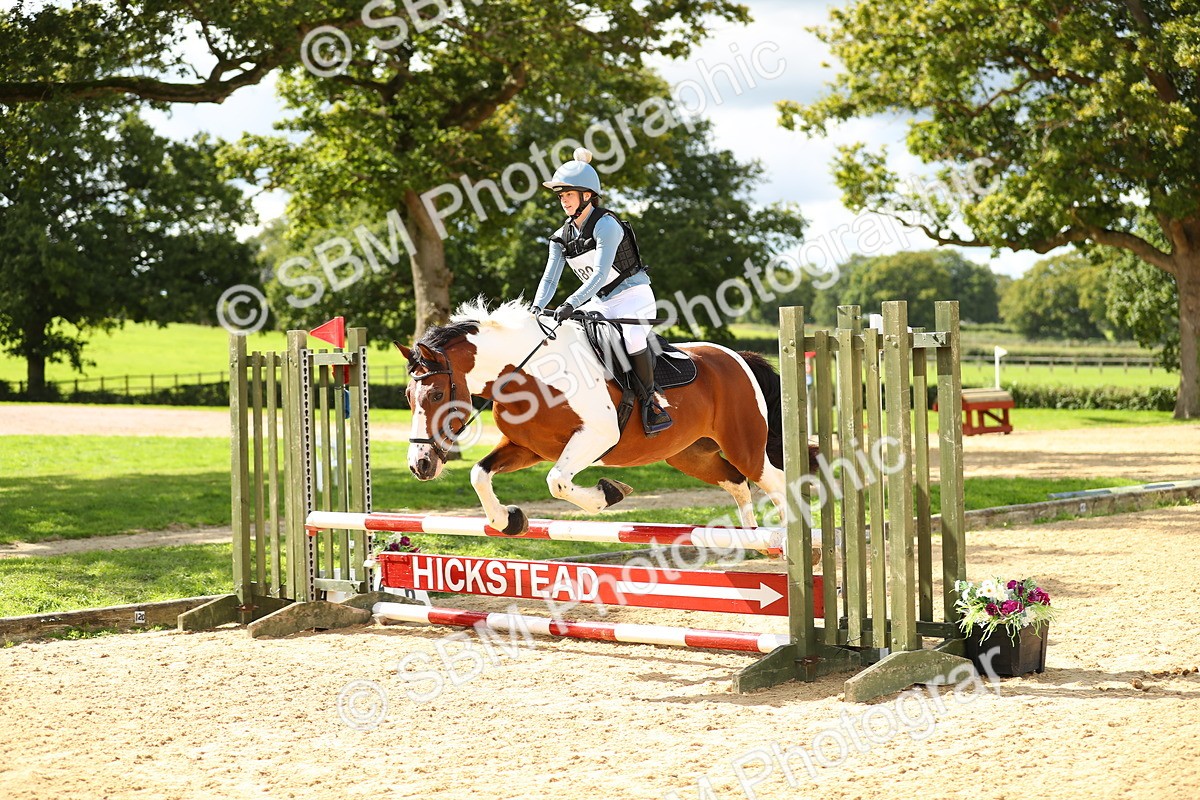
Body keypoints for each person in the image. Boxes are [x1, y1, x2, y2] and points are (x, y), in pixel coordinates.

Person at [531, 147, 672, 435]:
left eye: (568, 195)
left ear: (587, 195)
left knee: (633, 339)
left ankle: (651, 403)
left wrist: (570, 303)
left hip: (634, 297)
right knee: (574, 337)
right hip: (600, 302)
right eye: (561, 196)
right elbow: (549, 279)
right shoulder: (561, 237)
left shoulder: (607, 225)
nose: (563, 202)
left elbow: (598, 275)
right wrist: (535, 309)